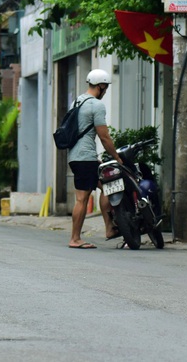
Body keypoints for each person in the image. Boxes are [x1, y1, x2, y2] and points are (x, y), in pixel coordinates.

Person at [67, 69, 122, 249]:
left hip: (78, 156)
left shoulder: (77, 101)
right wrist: (116, 157)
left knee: (107, 186)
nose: (105, 92)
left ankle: (109, 228)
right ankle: (75, 238)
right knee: (82, 198)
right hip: (84, 158)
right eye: (105, 88)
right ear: (101, 86)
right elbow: (104, 136)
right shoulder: (96, 106)